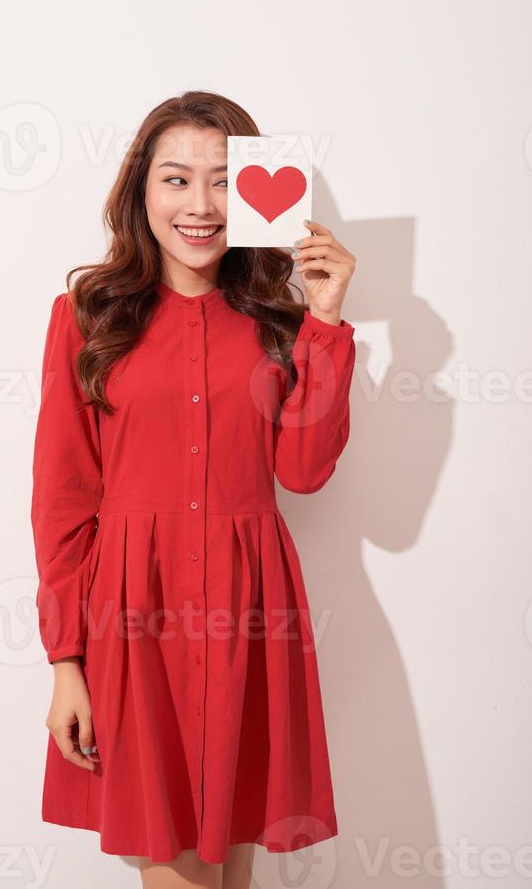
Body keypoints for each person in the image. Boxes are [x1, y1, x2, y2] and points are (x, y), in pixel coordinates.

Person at [30, 89, 357, 889]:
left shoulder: (277, 324)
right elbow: (63, 498)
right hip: (133, 621)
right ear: (141, 192)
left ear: (251, 191)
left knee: (228, 876)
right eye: (176, 180)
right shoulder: (87, 316)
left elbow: (304, 470)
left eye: (221, 180)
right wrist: (66, 660)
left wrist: (324, 323)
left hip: (250, 616)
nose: (201, 205)